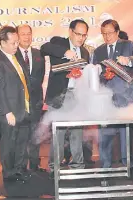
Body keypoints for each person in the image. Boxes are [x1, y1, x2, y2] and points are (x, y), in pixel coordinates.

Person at [93, 19, 133, 168]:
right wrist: (100, 73)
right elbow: (96, 75)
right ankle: (105, 166)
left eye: (110, 33)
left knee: (126, 135)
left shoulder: (128, 45)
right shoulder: (98, 51)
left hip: (126, 97)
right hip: (106, 99)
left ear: (117, 32)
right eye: (104, 33)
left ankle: (128, 165)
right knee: (105, 133)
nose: (107, 36)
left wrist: (128, 60)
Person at [40, 19, 90, 178]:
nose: (81, 38)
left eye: (84, 35)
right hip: (59, 96)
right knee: (58, 132)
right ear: (70, 31)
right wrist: (65, 53)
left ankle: (78, 165)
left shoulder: (86, 52)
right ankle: (55, 167)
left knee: (77, 132)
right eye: (78, 34)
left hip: (77, 96)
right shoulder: (59, 43)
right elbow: (44, 48)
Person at [0, 25, 32, 182]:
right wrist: (7, 112)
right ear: (2, 42)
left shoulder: (15, 57)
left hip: (23, 108)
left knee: (21, 142)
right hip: (10, 112)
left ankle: (20, 169)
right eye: (13, 43)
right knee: (9, 144)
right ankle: (9, 173)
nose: (16, 46)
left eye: (17, 42)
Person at [15, 24, 46, 172]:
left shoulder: (38, 53)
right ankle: (20, 167)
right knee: (21, 137)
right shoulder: (12, 55)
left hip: (35, 102)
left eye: (29, 34)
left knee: (35, 135)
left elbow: (39, 78)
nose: (26, 37)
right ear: (17, 36)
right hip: (19, 104)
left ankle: (35, 165)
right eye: (23, 34)